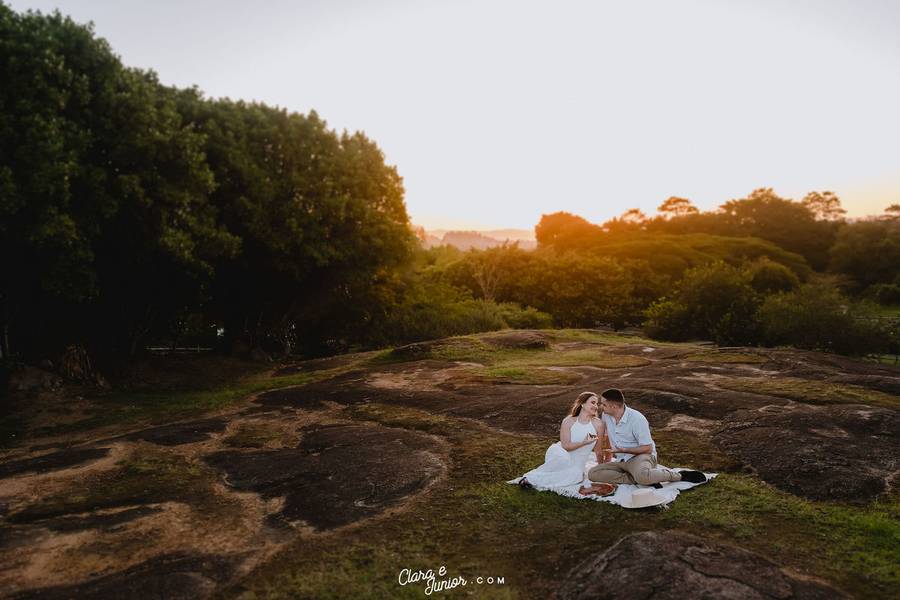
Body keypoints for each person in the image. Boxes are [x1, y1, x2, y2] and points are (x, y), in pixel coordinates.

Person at [587, 388, 707, 486]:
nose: (600, 407)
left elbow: (648, 449)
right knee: (593, 473)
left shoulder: (637, 419)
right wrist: (605, 460)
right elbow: (607, 438)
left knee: (642, 475)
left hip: (641, 457)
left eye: (604, 404)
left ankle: (679, 475)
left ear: (613, 406)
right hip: (622, 461)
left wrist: (624, 450)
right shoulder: (606, 416)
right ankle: (641, 478)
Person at [513, 391, 615, 496]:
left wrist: (601, 468)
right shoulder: (568, 421)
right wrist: (584, 442)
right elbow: (566, 446)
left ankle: (531, 480)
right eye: (593, 402)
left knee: (575, 475)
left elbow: (598, 450)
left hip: (577, 462)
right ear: (582, 404)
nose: (596, 406)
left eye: (597, 404)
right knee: (563, 461)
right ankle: (530, 479)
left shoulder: (598, 424)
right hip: (561, 453)